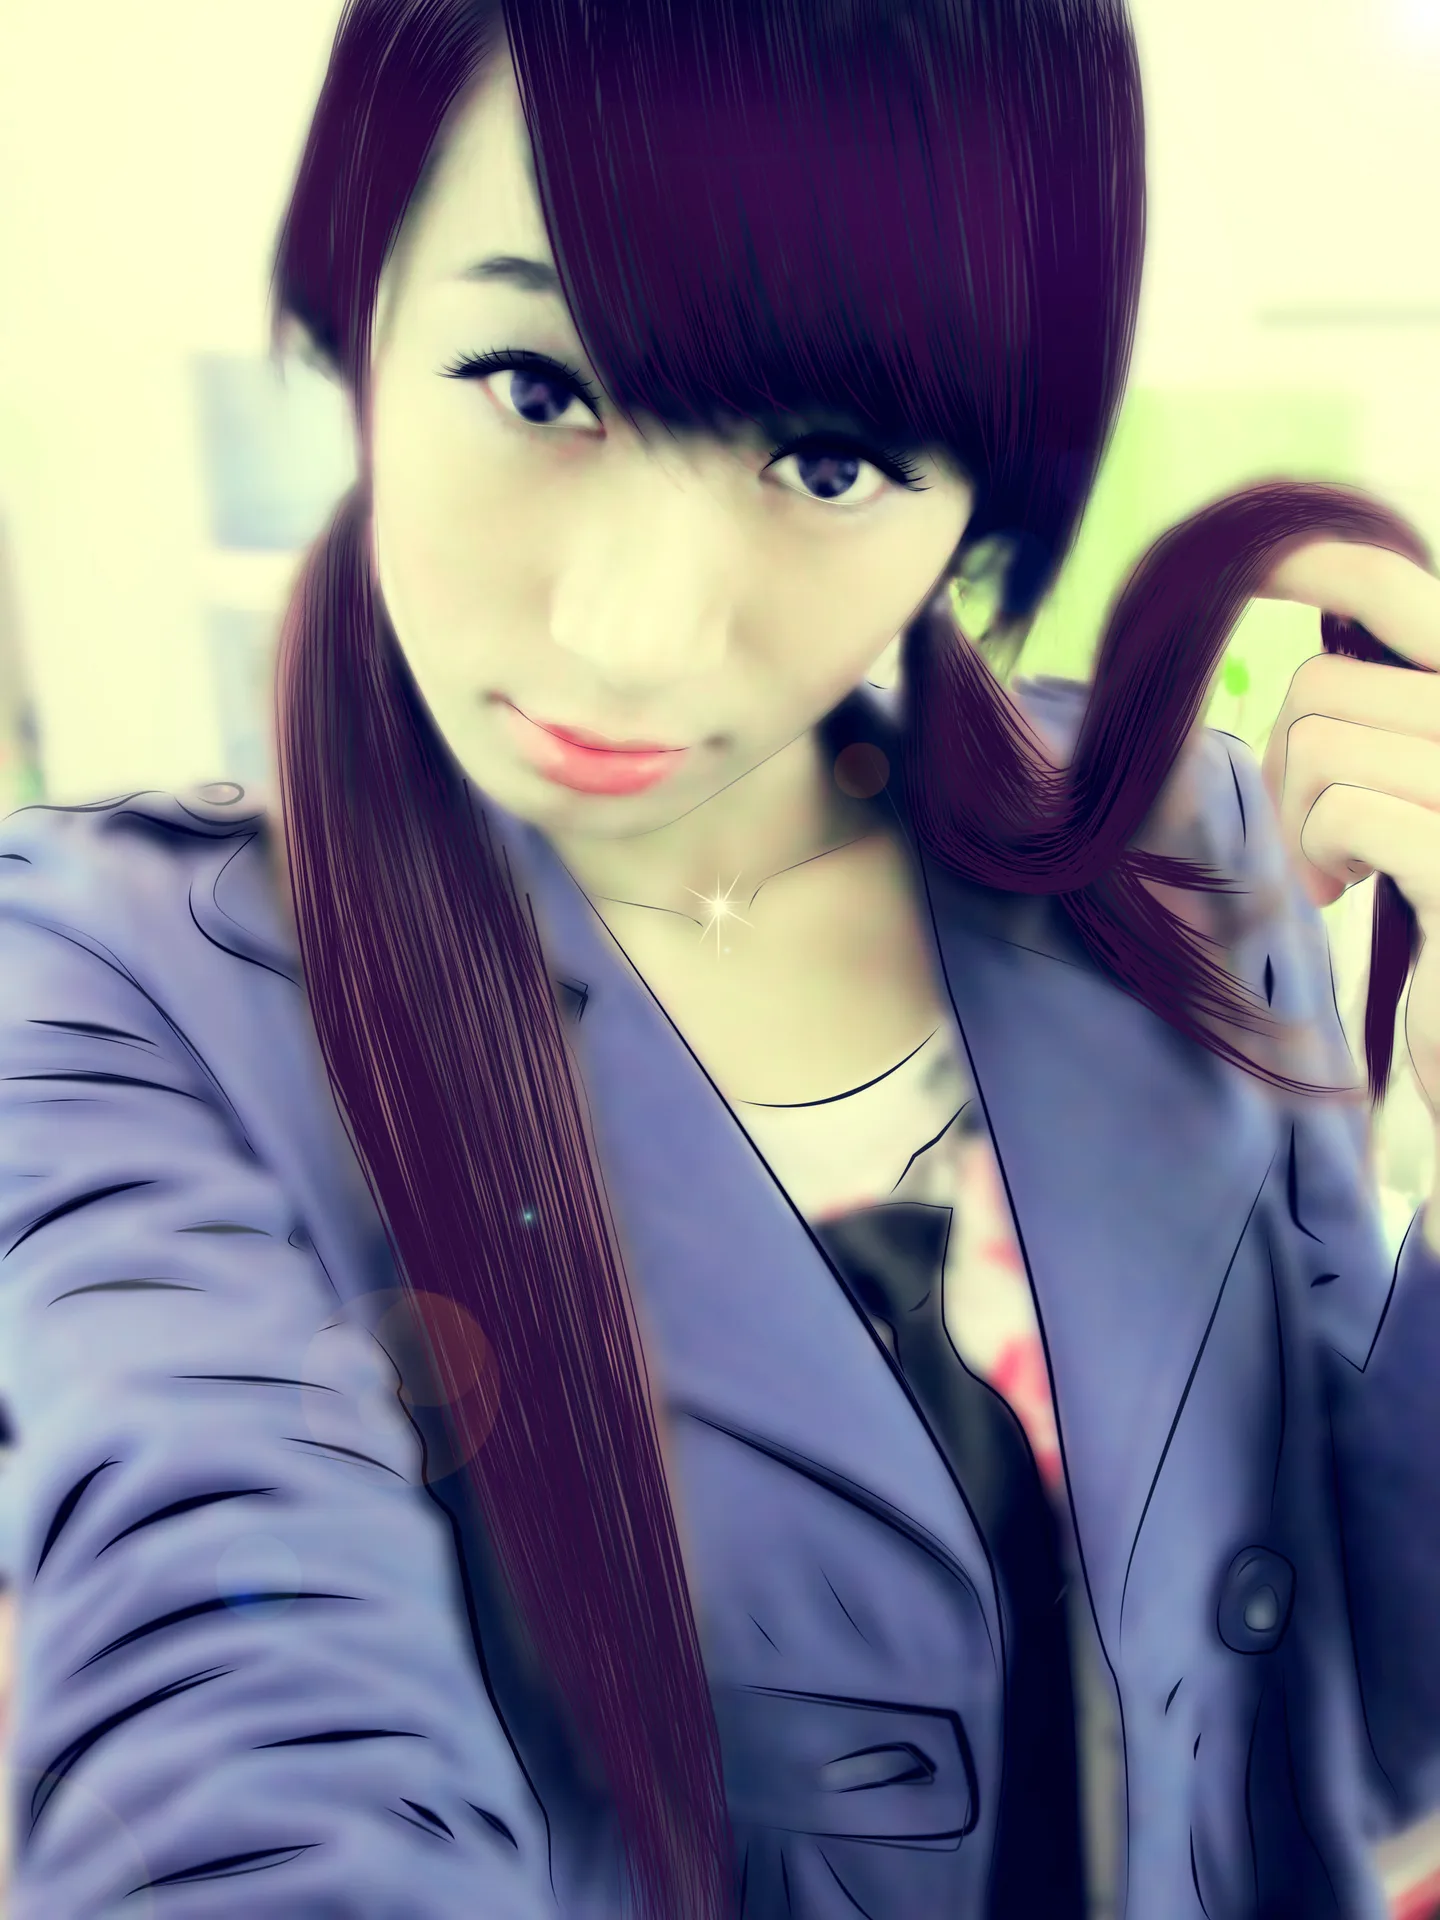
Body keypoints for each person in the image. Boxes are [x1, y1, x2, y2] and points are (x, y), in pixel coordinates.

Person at [2, 0, 1440, 1914]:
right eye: (535, 385)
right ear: (365, 304)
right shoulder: (124, 983)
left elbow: (1356, 1728)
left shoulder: (1181, 854)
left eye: (832, 460)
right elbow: (232, 1680)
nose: (636, 631)